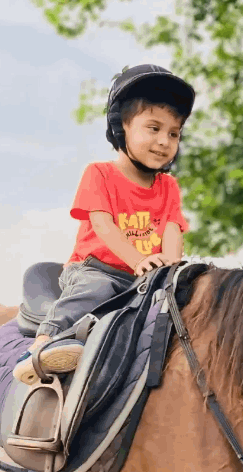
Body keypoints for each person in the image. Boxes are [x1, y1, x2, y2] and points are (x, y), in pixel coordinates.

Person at [13, 64, 194, 385]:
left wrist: (170, 267)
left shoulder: (169, 188)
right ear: (122, 126)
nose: (165, 141)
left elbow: (172, 231)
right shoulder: (100, 174)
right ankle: (44, 346)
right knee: (93, 290)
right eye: (153, 128)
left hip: (145, 278)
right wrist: (139, 259)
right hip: (97, 268)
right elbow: (104, 226)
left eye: (173, 133)